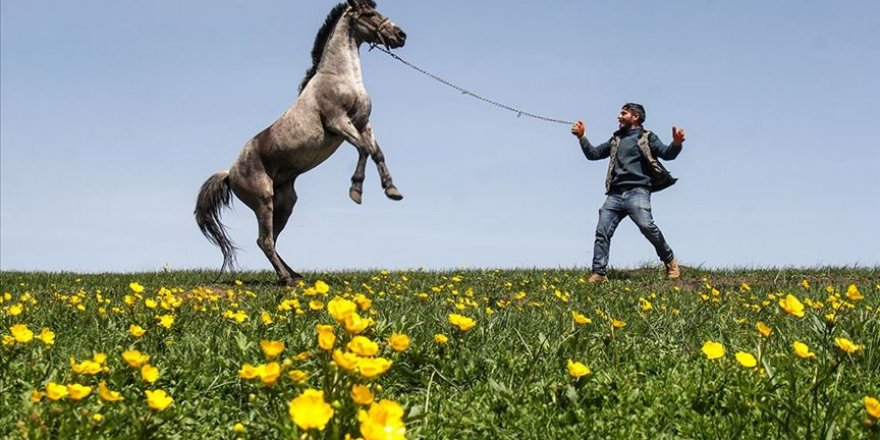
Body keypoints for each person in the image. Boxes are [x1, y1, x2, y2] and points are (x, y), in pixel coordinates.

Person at [571, 103, 685, 282]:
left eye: (623, 113)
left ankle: (669, 260)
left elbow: (667, 153)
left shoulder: (647, 137)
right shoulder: (616, 139)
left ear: (636, 117)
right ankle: (599, 273)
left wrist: (676, 144)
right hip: (615, 194)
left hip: (638, 191)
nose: (619, 116)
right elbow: (593, 154)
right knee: (602, 231)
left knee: (647, 226)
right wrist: (582, 137)